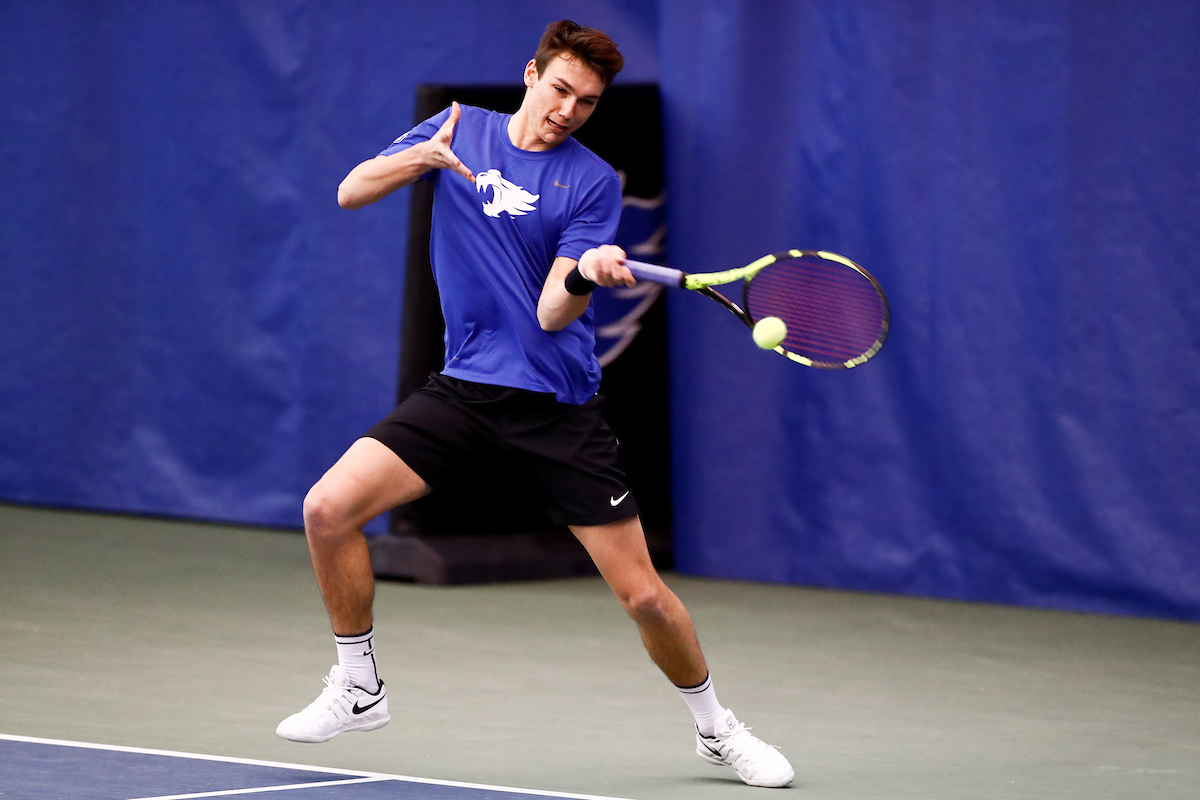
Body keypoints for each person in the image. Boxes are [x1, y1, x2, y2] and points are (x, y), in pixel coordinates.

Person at [275, 20, 794, 789]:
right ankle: (359, 686)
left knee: (644, 596)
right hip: (462, 391)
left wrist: (585, 272)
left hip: (555, 407)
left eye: (586, 102)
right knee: (328, 509)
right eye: (560, 90)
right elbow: (351, 191)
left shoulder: (592, 181)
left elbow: (554, 311)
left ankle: (717, 729)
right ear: (531, 74)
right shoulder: (455, 127)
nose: (568, 110)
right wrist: (421, 156)